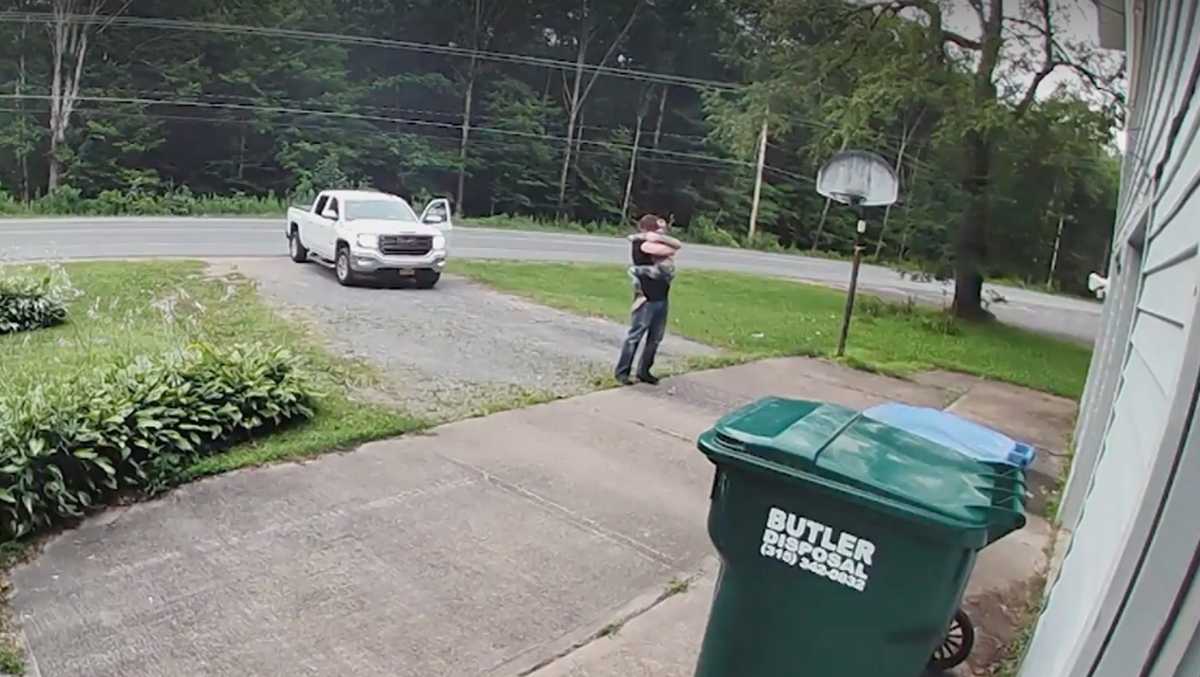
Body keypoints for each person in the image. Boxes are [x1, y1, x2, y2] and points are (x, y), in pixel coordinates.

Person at [615, 214, 679, 385]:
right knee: (635, 336)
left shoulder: (658, 242)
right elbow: (663, 249)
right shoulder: (640, 244)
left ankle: (644, 371)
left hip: (661, 297)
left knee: (655, 338)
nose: (662, 232)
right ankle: (622, 372)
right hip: (645, 298)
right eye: (658, 229)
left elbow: (674, 246)